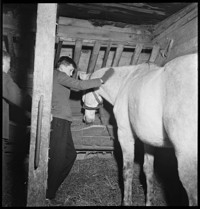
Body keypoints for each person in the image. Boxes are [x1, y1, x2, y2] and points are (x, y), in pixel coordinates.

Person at [46, 56, 114, 204]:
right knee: (57, 159)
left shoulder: (59, 78)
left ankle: (51, 186)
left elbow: (76, 86)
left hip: (62, 121)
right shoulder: (58, 74)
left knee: (70, 155)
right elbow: (78, 84)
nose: (71, 73)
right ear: (63, 66)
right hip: (58, 120)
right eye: (71, 70)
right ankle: (48, 194)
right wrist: (100, 80)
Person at [2, 50, 32, 203]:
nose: (9, 67)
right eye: (8, 64)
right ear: (3, 62)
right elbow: (17, 96)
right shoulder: (2, 76)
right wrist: (39, 107)